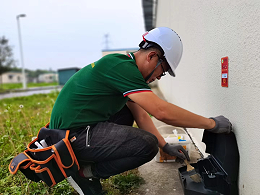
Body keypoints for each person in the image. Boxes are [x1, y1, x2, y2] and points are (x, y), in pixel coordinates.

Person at [49, 27, 232, 194]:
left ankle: (87, 164)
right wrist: (211, 124)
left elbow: (141, 114)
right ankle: (85, 173)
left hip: (76, 132)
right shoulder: (120, 67)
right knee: (146, 145)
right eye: (163, 69)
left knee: (128, 112)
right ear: (152, 56)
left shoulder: (124, 67)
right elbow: (161, 111)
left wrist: (166, 146)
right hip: (70, 138)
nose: (160, 76)